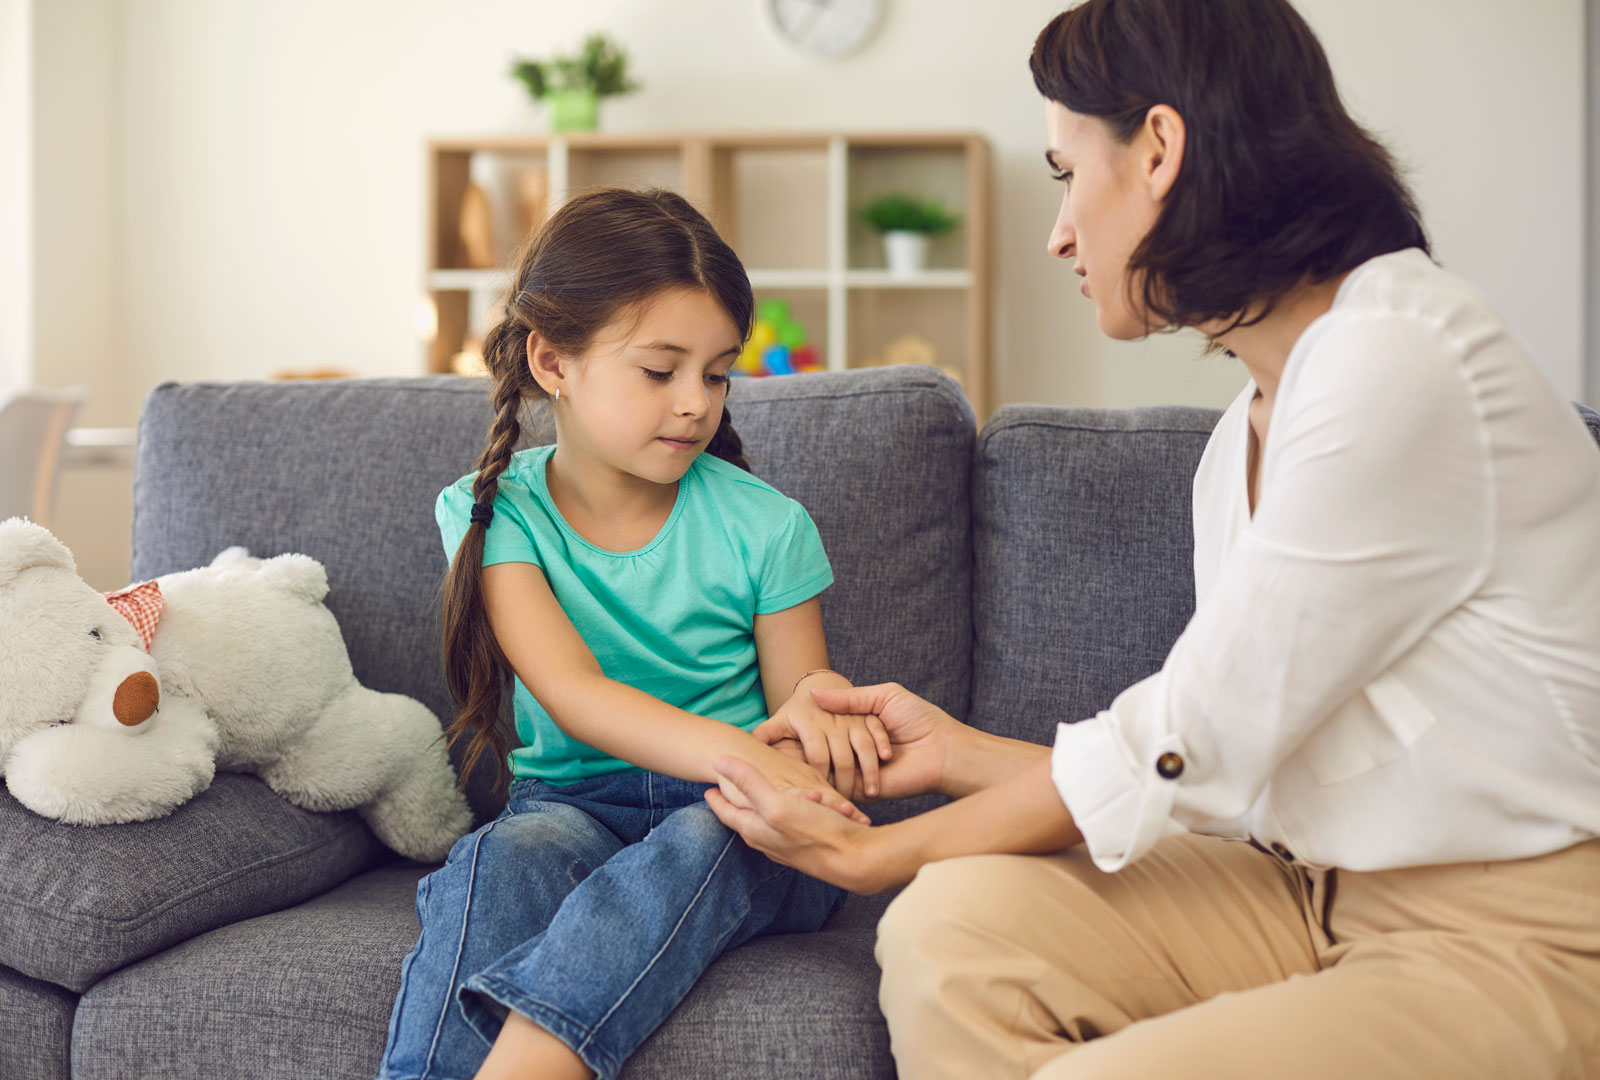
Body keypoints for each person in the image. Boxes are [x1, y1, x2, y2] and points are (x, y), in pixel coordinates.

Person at [706, 1, 1600, 1077]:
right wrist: (957, 756)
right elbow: (1221, 776)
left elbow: (1190, 734)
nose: (1059, 232)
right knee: (954, 930)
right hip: (1301, 891)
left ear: (1160, 150)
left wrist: (872, 852)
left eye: (1063, 174)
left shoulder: (1398, 361)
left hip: (1522, 936)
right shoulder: (1244, 437)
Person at [376, 187, 892, 1080]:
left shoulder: (767, 526)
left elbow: (802, 694)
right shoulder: (496, 514)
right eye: (660, 371)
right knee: (504, 859)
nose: (697, 403)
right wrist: (742, 754)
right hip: (574, 806)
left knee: (707, 839)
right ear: (553, 361)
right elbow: (573, 693)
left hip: (737, 817)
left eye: (717, 372)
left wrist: (819, 722)